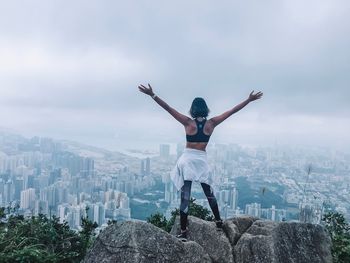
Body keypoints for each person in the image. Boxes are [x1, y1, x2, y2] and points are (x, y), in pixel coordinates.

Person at [138, 83, 263, 241]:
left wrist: (152, 94)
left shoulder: (188, 123)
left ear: (192, 109)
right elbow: (232, 111)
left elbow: (168, 108)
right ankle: (218, 221)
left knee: (185, 196)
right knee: (209, 193)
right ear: (206, 109)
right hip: (201, 160)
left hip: (187, 159)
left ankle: (183, 231)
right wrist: (248, 100)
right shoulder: (211, 124)